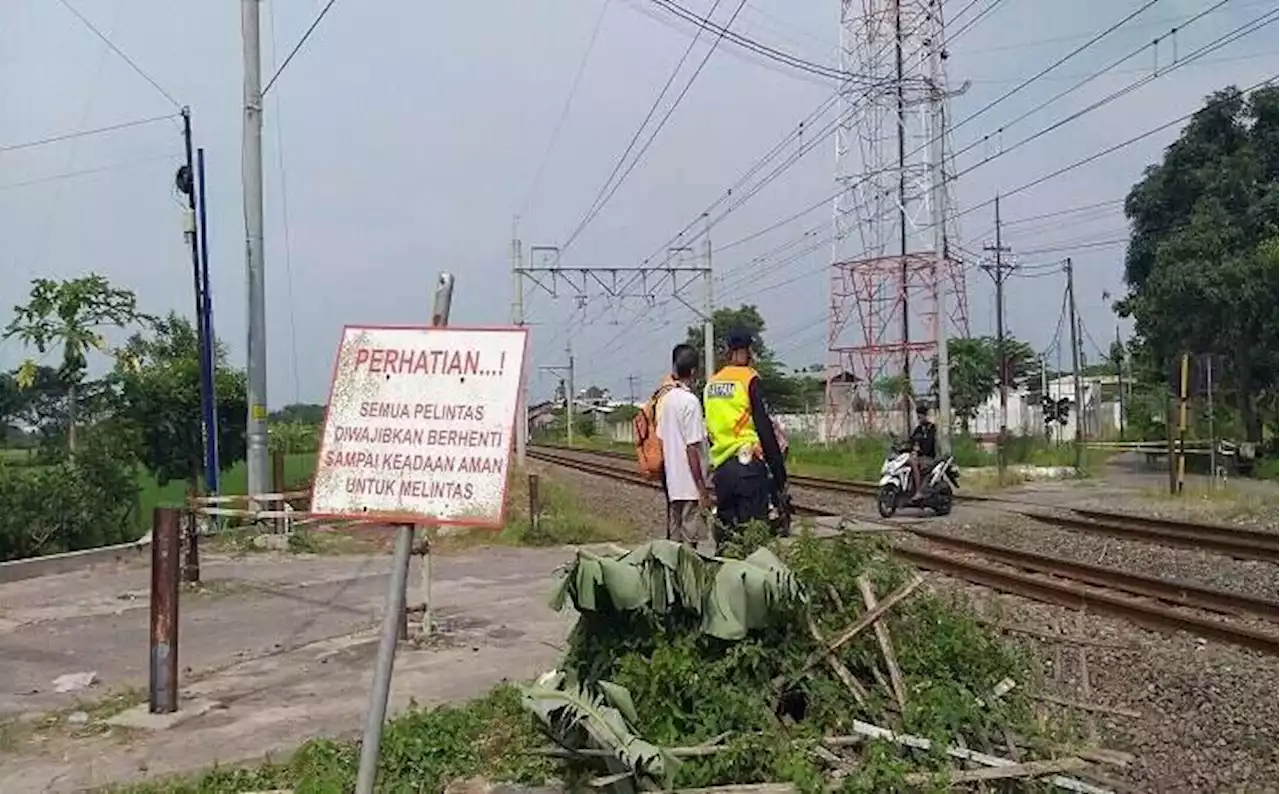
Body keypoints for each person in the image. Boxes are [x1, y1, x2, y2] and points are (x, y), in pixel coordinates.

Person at [703, 328, 787, 536]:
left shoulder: (711, 383)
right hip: (749, 468)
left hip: (721, 470)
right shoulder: (749, 379)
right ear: (746, 352)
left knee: (728, 537)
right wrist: (779, 473)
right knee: (753, 537)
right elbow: (764, 428)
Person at [657, 344, 712, 547]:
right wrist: (701, 487)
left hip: (673, 484)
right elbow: (692, 448)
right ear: (693, 372)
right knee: (690, 546)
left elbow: (662, 438)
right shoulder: (691, 402)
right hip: (689, 487)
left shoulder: (667, 400)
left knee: (674, 543)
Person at [908, 403, 938, 499]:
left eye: (920, 417)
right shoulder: (918, 429)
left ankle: (918, 491)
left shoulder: (932, 428)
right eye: (918, 417)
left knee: (913, 462)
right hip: (919, 457)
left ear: (925, 416)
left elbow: (930, 444)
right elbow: (911, 441)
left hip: (928, 458)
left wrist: (919, 449)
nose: (919, 419)